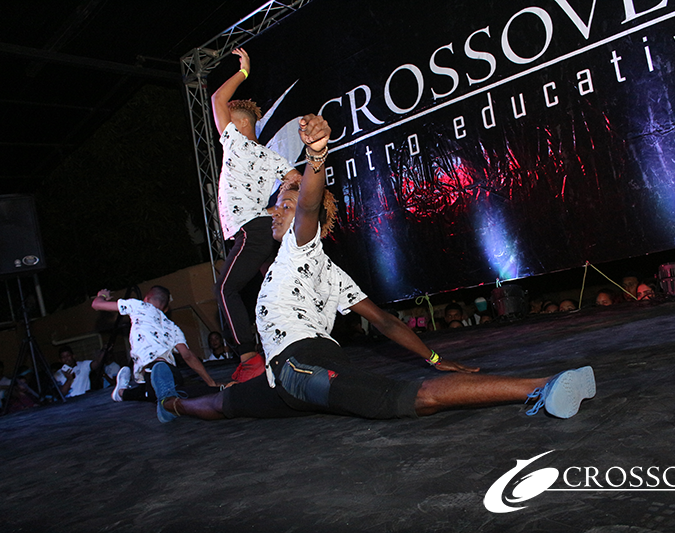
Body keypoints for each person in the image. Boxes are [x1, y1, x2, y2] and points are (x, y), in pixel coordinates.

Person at [154, 114, 596, 423]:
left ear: (312, 224)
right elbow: (384, 321)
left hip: (302, 365)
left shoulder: (299, 246)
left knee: (409, 397)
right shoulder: (329, 271)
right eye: (277, 203)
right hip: (283, 379)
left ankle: (546, 383)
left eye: (284, 205)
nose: (276, 209)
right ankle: (171, 404)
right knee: (224, 405)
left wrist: (316, 157)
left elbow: (308, 204)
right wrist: (435, 357)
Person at [211, 47, 301, 357]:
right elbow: (297, 179)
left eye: (228, 120)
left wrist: (244, 72)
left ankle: (247, 355)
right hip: (262, 229)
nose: (222, 125)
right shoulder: (271, 157)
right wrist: (283, 204)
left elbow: (217, 99)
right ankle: (291, 339)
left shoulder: (236, 143)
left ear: (241, 125)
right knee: (272, 286)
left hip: (253, 230)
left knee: (225, 289)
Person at [91, 286, 221, 408]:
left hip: (154, 370)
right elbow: (188, 356)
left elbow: (96, 304)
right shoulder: (173, 327)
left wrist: (102, 295)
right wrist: (211, 383)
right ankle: (122, 392)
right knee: (156, 391)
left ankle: (122, 392)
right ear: (165, 309)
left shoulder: (139, 305)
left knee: (156, 392)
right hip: (173, 374)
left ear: (146, 298)